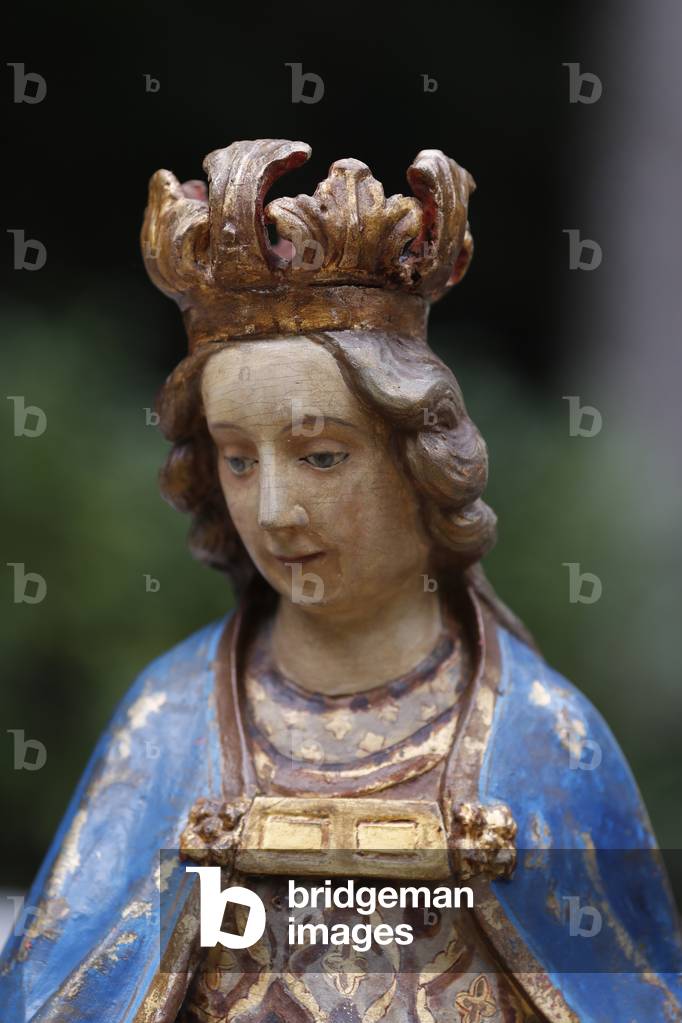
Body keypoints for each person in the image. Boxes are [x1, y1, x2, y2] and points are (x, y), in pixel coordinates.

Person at [1, 139, 680, 1022]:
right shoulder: (165, 726)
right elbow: (59, 993)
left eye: (322, 455)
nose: (275, 509)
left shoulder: (546, 744)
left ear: (423, 463)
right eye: (238, 461)